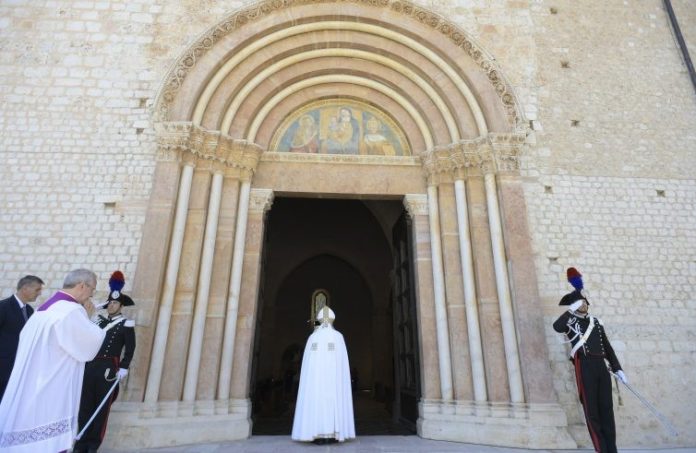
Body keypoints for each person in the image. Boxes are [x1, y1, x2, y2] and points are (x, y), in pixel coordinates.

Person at [0, 269, 105, 453]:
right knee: (47, 442)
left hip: (33, 381)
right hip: (52, 386)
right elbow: (89, 347)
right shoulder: (72, 310)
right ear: (82, 285)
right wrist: (90, 317)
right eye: (92, 289)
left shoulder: (44, 308)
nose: (91, 294)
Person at [552, 267, 627, 453]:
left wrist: (618, 369)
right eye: (579, 303)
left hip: (601, 367)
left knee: (607, 411)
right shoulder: (570, 322)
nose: (583, 304)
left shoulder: (596, 323)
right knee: (592, 414)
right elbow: (557, 326)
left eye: (584, 302)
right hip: (584, 366)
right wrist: (571, 311)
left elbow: (607, 348)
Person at [74, 271, 136, 453]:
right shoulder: (97, 321)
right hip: (91, 367)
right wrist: (95, 310)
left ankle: (92, 445)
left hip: (109, 370)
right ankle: (81, 443)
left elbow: (130, 349)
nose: (111, 305)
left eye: (115, 302)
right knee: (85, 407)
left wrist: (124, 367)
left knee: (101, 411)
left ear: (121, 305)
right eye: (110, 302)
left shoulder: (126, 324)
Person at [291, 295, 355, 444]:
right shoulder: (338, 337)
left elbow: (308, 365)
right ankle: (333, 433)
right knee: (331, 403)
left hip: (316, 383)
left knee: (316, 403)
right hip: (333, 382)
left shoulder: (313, 338)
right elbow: (341, 365)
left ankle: (314, 433)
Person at [0, 275, 44, 403]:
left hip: (18, 369)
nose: (40, 293)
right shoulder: (3, 307)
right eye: (37, 290)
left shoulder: (29, 310)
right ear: (25, 288)